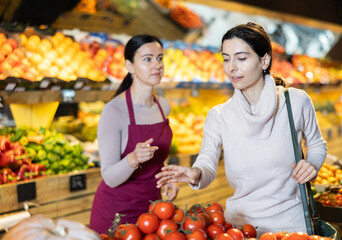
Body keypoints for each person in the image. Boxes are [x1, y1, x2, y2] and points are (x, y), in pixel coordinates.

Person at [155, 22, 327, 236]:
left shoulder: (296, 102)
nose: (231, 67)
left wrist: (312, 164)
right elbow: (207, 162)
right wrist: (195, 172)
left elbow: (317, 144)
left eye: (241, 58)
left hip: (291, 228)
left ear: (264, 60)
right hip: (239, 230)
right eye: (226, 59)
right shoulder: (219, 115)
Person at [90, 34, 179, 234]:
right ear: (130, 66)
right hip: (116, 214)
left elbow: (155, 162)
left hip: (152, 211)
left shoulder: (163, 106)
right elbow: (110, 177)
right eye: (147, 59)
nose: (157, 65)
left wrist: (166, 179)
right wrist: (132, 159)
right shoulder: (114, 111)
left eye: (160, 58)